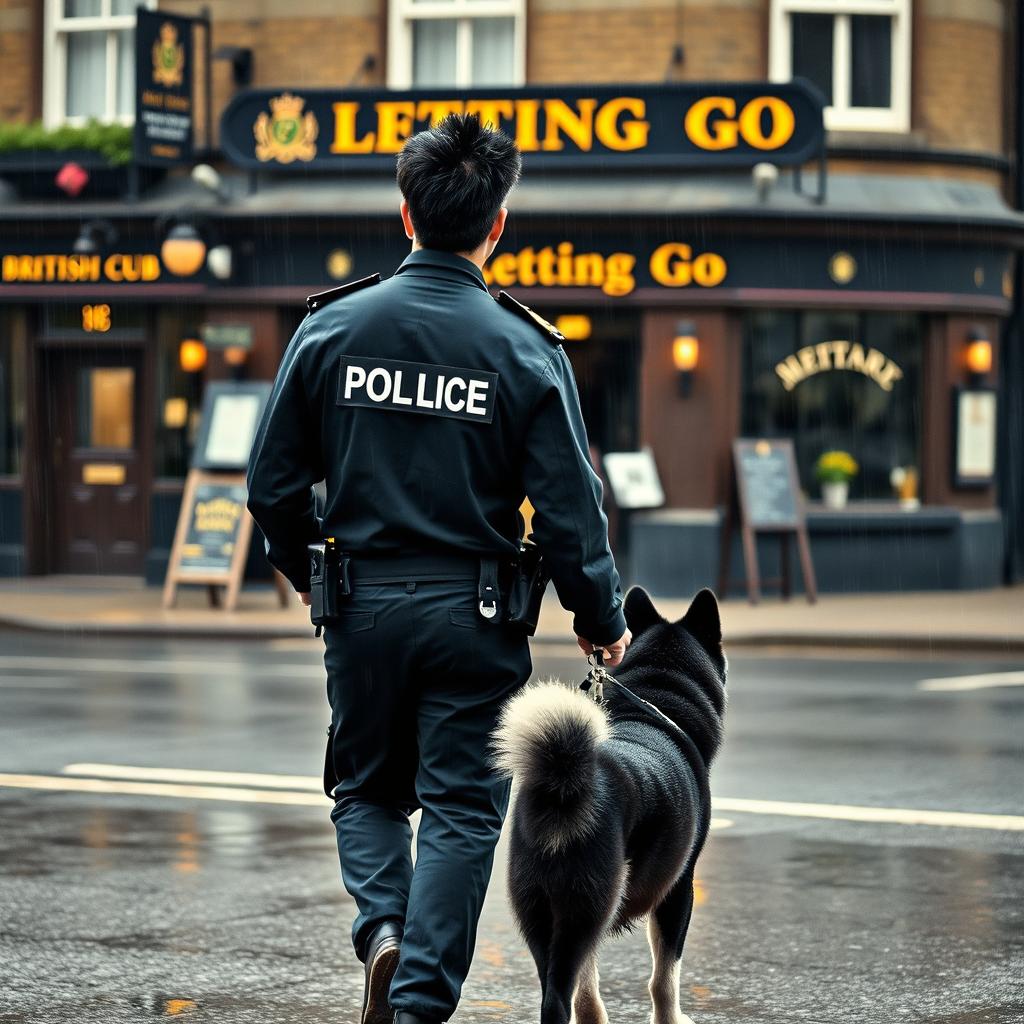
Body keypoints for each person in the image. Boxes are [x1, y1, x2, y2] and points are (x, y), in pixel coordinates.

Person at [246, 113, 629, 1024]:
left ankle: (382, 932)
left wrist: (317, 580)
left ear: (405, 213)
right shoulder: (525, 349)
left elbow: (269, 487)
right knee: (462, 808)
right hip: (478, 614)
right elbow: (572, 512)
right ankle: (415, 1005)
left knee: (366, 788)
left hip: (363, 605)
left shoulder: (332, 328)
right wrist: (600, 616)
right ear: (498, 225)